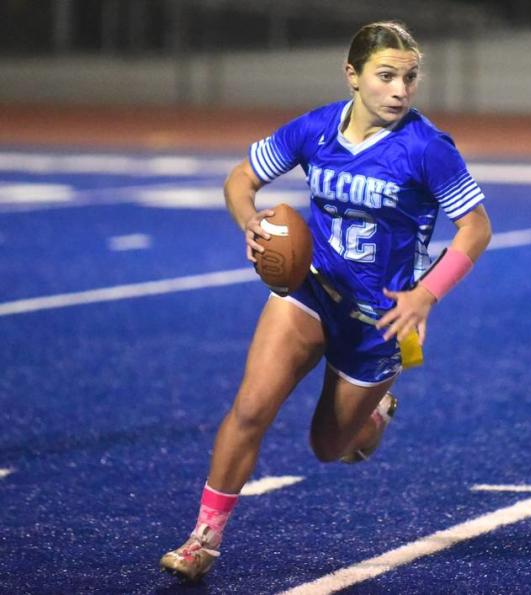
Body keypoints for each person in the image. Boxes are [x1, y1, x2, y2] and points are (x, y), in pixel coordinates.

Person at [160, 21, 492, 580]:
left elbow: (476, 228)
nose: (400, 90)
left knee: (331, 446)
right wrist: (250, 223)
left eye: (409, 78)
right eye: (386, 76)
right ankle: (203, 540)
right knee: (250, 408)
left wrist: (426, 295)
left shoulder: (427, 148)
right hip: (311, 289)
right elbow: (241, 178)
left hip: (380, 317)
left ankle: (377, 412)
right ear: (353, 76)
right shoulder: (315, 129)